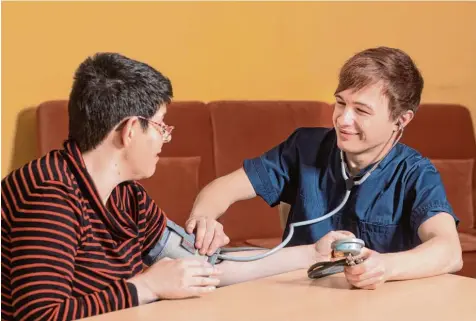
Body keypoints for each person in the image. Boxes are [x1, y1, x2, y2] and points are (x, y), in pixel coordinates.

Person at [1, 52, 354, 321]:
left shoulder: (129, 196)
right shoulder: (50, 194)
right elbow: (41, 315)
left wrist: (314, 254)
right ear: (128, 131)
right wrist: (147, 286)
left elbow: (205, 266)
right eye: (160, 126)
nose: (165, 139)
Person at [186, 46, 463, 289]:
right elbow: (221, 188)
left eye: (362, 111)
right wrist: (204, 217)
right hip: (298, 296)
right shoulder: (304, 147)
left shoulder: (415, 173)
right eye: (340, 103)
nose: (343, 119)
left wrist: (386, 267)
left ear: (401, 120)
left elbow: (449, 250)